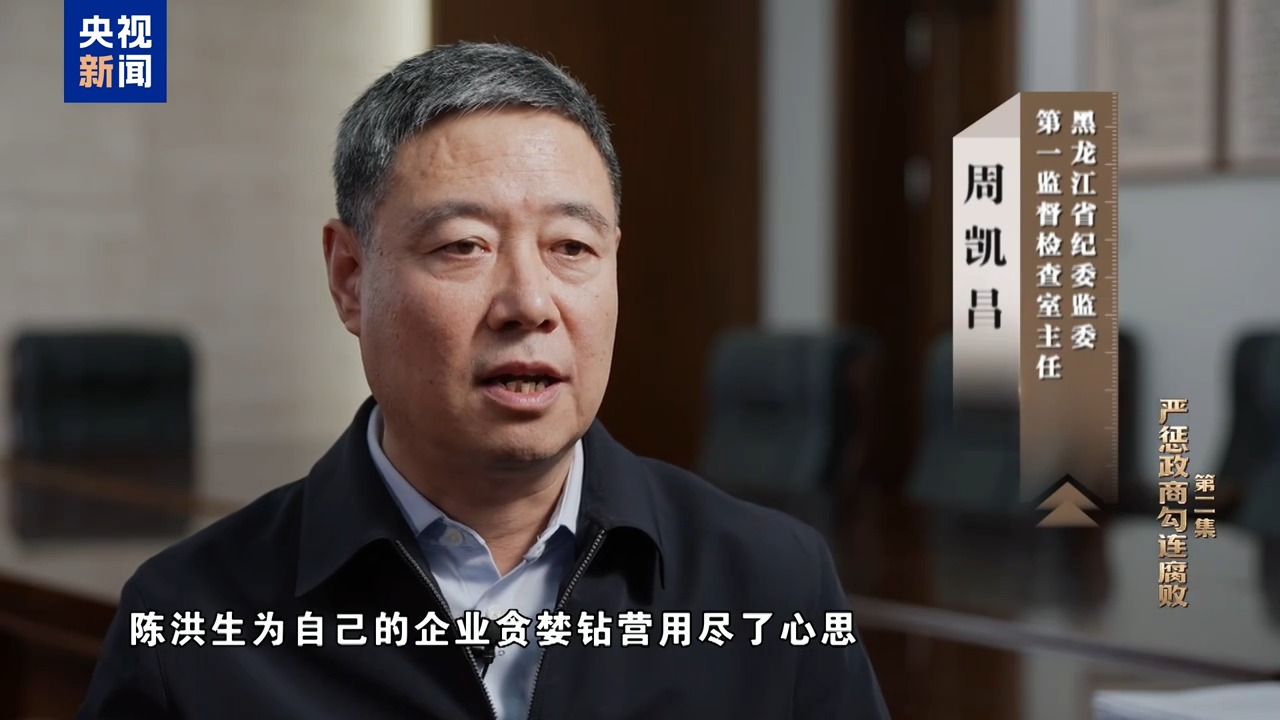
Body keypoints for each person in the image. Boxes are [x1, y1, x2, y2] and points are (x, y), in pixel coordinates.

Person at [78, 42, 889, 719]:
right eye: (463, 246)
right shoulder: (189, 620)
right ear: (350, 277)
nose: (529, 303)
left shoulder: (774, 585)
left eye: (571, 248)